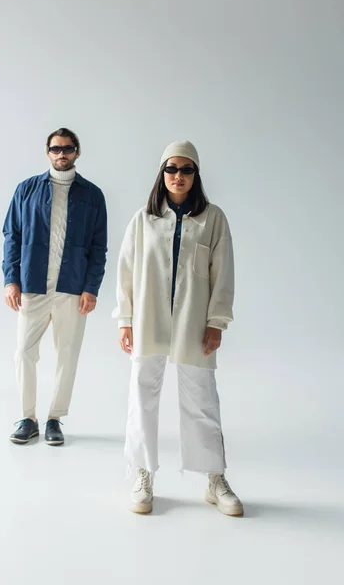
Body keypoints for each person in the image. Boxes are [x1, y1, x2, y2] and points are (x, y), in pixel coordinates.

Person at [113, 141, 243, 516]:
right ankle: (142, 473)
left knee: (202, 399)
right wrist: (125, 319)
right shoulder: (143, 219)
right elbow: (125, 271)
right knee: (142, 398)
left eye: (187, 170)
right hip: (148, 319)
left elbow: (224, 273)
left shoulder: (213, 218)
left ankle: (215, 479)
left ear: (196, 175)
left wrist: (217, 321)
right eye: (171, 169)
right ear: (162, 173)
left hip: (194, 322)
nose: (179, 176)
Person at [3, 127, 107, 445]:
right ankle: (27, 418)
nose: (62, 154)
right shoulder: (26, 190)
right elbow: (12, 236)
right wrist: (11, 279)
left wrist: (92, 287)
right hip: (33, 286)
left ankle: (54, 419)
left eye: (68, 148)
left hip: (72, 288)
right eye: (56, 149)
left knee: (68, 355)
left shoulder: (92, 195)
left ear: (77, 152)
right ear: (47, 152)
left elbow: (99, 246)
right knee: (24, 352)